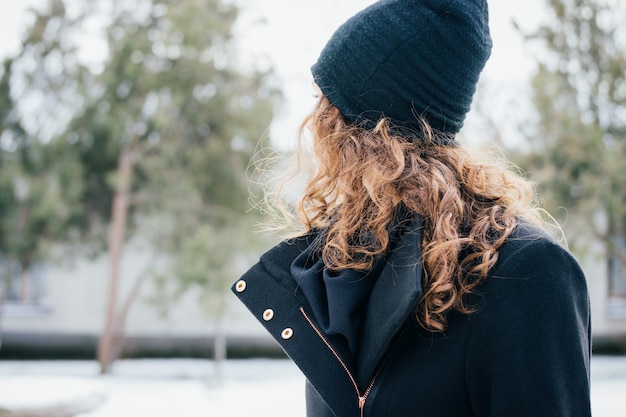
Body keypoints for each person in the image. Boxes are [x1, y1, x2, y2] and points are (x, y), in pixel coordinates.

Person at [232, 0, 592, 416]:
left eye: (326, 101)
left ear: (362, 130)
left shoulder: (525, 270)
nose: (315, 121)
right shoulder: (343, 268)